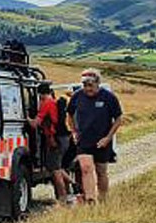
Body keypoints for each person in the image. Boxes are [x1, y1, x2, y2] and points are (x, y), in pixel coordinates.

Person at [66, 68, 122, 203]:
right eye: (85, 85)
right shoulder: (77, 96)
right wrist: (74, 132)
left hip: (102, 141)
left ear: (98, 83)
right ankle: (90, 200)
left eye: (90, 85)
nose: (87, 89)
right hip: (83, 140)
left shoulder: (109, 97)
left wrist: (108, 137)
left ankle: (103, 199)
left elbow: (118, 118)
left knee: (101, 171)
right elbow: (70, 115)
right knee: (86, 169)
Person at [27, 82, 70, 203]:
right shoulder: (54, 101)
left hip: (55, 139)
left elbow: (35, 124)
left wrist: (25, 117)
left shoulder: (46, 103)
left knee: (54, 169)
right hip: (63, 137)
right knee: (58, 166)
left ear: (40, 94)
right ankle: (74, 185)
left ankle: (62, 198)